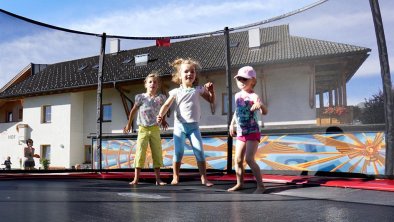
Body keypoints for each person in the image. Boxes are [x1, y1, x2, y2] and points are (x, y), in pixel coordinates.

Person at [157, 58, 215, 187]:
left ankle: (204, 178)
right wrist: (160, 115)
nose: (190, 74)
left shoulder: (198, 89)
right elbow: (166, 105)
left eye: (192, 71)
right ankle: (175, 177)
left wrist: (211, 91)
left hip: (194, 127)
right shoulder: (176, 92)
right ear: (179, 75)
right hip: (180, 127)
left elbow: (211, 100)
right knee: (178, 152)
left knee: (199, 151)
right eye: (186, 71)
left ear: (195, 75)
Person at [228, 66, 267, 194]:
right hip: (241, 131)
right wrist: (232, 124)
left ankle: (261, 186)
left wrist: (260, 105)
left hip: (252, 131)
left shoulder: (254, 96)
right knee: (238, 159)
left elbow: (265, 112)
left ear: (252, 81)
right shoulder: (237, 95)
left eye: (245, 79)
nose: (241, 81)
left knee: (249, 159)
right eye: (239, 79)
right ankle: (240, 183)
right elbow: (237, 111)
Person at [124, 72, 168, 186]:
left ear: (157, 85)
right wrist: (129, 124)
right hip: (142, 129)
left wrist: (163, 120)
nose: (152, 84)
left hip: (154, 129)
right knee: (140, 152)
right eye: (150, 82)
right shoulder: (141, 97)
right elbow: (133, 110)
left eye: (155, 82)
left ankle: (158, 179)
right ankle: (136, 179)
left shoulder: (160, 98)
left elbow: (161, 111)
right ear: (146, 84)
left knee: (157, 152)